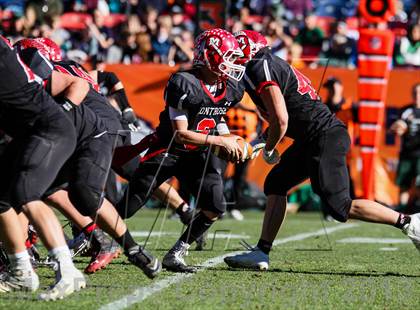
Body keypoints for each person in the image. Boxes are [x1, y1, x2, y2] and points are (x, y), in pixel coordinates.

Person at [224, 30, 420, 270]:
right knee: (276, 183)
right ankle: (261, 252)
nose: (229, 59)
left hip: (324, 136)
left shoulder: (260, 66)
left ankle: (409, 222)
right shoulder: (265, 65)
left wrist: (269, 148)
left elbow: (282, 120)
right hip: (312, 137)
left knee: (340, 206)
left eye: (234, 54)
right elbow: (287, 116)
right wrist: (261, 142)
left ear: (249, 51)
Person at [14, 38, 162, 279]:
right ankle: (31, 252)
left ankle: (124, 242)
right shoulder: (39, 76)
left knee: (88, 192)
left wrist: (61, 114)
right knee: (41, 189)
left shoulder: (48, 72)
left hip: (93, 129)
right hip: (86, 131)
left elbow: (86, 83)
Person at [116, 28, 246, 272]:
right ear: (209, 57)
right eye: (227, 56)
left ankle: (176, 253)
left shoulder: (230, 87)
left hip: (197, 154)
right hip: (168, 149)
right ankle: (86, 236)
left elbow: (216, 115)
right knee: (127, 208)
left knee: (215, 205)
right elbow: (181, 133)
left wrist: (229, 138)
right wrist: (221, 142)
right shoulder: (184, 82)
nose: (232, 63)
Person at [0, 35, 84, 299]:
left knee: (26, 193)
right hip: (32, 133)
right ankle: (21, 272)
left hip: (48, 130)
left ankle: (67, 270)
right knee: (1, 198)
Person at [391, 83, 420, 213]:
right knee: (404, 184)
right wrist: (398, 127)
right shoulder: (406, 111)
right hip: (407, 153)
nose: (417, 96)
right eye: (415, 93)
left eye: (419, 93)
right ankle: (402, 211)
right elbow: (394, 128)